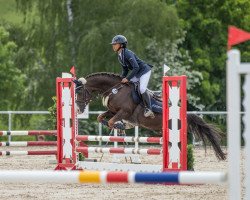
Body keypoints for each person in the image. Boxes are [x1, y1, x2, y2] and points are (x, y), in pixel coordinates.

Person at [110, 34, 155, 118]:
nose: (113, 46)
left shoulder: (127, 53)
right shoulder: (120, 56)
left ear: (121, 45)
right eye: (113, 44)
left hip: (144, 71)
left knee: (142, 89)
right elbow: (125, 70)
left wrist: (127, 78)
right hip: (137, 72)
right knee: (126, 86)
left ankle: (149, 109)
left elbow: (136, 67)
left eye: (115, 44)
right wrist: (120, 79)